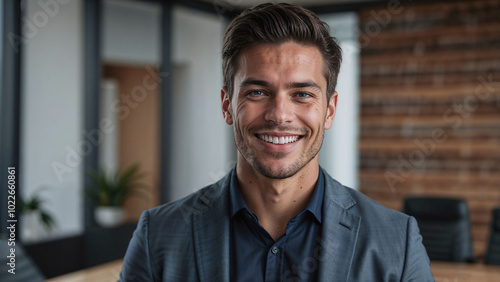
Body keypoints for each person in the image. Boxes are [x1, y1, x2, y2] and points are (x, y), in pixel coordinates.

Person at [119, 3, 434, 281]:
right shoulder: (157, 236)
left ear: (330, 110)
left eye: (302, 95)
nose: (280, 115)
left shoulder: (397, 242)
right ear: (227, 105)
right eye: (257, 92)